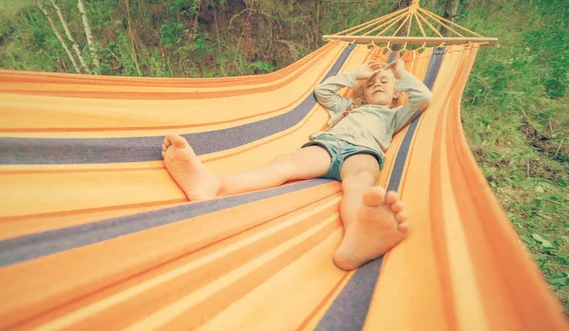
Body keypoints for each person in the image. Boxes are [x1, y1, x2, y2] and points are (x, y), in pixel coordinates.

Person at [161, 59, 432, 271]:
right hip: (327, 146)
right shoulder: (346, 106)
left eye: (384, 82)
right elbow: (322, 90)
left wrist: (400, 73)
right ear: (362, 90)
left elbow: (423, 98)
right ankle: (215, 185)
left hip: (362, 152)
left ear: (397, 96)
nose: (377, 83)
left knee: (359, 182)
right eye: (372, 82)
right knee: (285, 163)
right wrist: (357, 75)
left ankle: (356, 238)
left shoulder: (394, 114)